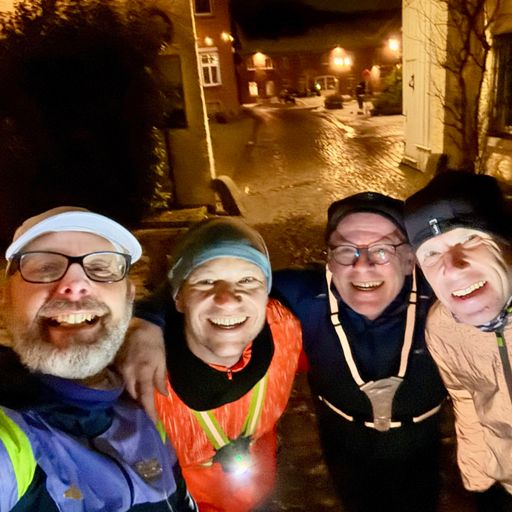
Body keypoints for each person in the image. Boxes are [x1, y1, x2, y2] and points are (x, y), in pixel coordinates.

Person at [121, 193, 447, 512]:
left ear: (410, 259)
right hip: (343, 449)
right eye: (346, 250)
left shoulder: (444, 298)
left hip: (421, 448)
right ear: (330, 259)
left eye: (383, 250)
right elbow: (211, 277)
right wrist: (147, 319)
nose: (363, 265)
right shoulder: (304, 295)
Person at [0, 206, 197, 511]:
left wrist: (151, 320)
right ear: (6, 298)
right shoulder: (9, 443)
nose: (75, 286)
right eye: (46, 267)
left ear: (129, 297)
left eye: (101, 268)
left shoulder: (143, 409)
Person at [120, 217, 302, 512]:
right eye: (206, 281)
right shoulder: (140, 375)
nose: (227, 300)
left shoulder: (284, 328)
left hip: (260, 492)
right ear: (178, 299)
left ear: (266, 293)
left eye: (248, 280)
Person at [404, 171, 512, 512]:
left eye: (470, 239)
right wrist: (478, 479)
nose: (452, 268)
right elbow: (465, 397)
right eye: (430, 253)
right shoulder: (443, 327)